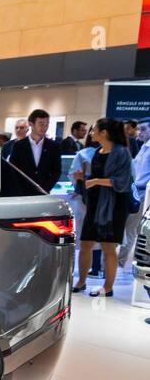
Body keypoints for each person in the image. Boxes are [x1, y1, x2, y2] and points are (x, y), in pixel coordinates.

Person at [74, 118, 133, 298]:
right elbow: (96, 176)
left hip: (114, 206)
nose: (92, 133)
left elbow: (123, 182)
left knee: (108, 247)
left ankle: (108, 287)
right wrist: (84, 177)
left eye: (95, 130)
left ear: (104, 132)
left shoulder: (122, 153)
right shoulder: (98, 151)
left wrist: (96, 181)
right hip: (95, 204)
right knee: (85, 244)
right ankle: (81, 282)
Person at [118, 116, 150, 270]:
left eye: (143, 129)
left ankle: (119, 262)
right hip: (133, 191)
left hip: (143, 193)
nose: (139, 132)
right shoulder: (143, 147)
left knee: (131, 229)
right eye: (139, 129)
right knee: (125, 228)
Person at [3, 109, 61, 192]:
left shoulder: (54, 146)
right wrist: (20, 188)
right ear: (31, 124)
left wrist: (45, 188)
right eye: (41, 124)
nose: (44, 127)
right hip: (22, 192)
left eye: (46, 124)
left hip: (44, 192)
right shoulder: (19, 145)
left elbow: (56, 171)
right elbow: (13, 169)